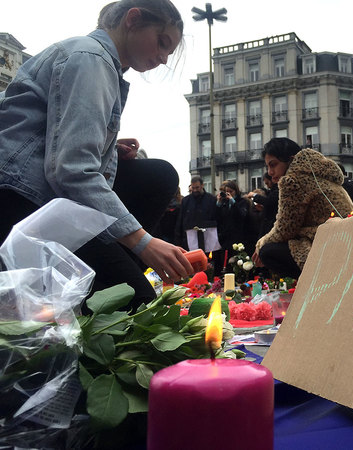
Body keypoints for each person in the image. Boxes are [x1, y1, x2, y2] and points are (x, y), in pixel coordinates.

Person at [0, 0, 193, 308]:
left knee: (157, 175)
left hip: (40, 196)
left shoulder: (95, 60)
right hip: (22, 201)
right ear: (133, 20)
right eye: (162, 43)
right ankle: (91, 287)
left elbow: (51, 136)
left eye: (168, 53)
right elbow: (72, 171)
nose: (162, 58)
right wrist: (143, 242)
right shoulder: (91, 58)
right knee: (135, 301)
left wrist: (107, 145)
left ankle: (99, 274)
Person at [252, 138, 353, 279]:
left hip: (328, 246)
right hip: (347, 239)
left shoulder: (292, 180)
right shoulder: (317, 173)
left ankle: (314, 283)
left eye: (273, 165)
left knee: (267, 252)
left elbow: (285, 229)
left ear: (290, 160)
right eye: (268, 167)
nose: (270, 172)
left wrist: (260, 245)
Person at [174, 176, 219, 252]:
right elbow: (181, 220)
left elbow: (216, 217)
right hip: (190, 238)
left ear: (202, 185)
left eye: (197, 188)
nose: (195, 190)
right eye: (193, 188)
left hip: (208, 237)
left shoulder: (211, 199)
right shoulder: (186, 201)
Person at [216, 180, 252, 262]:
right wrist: (218, 204)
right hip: (226, 239)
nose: (228, 194)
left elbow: (242, 215)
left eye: (230, 191)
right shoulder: (224, 203)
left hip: (239, 238)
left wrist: (233, 202)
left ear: (236, 191)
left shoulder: (242, 202)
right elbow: (218, 218)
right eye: (226, 192)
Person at [247, 173, 279, 239]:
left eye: (267, 183)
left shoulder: (277, 190)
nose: (268, 186)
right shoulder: (272, 191)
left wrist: (254, 195)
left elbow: (269, 201)